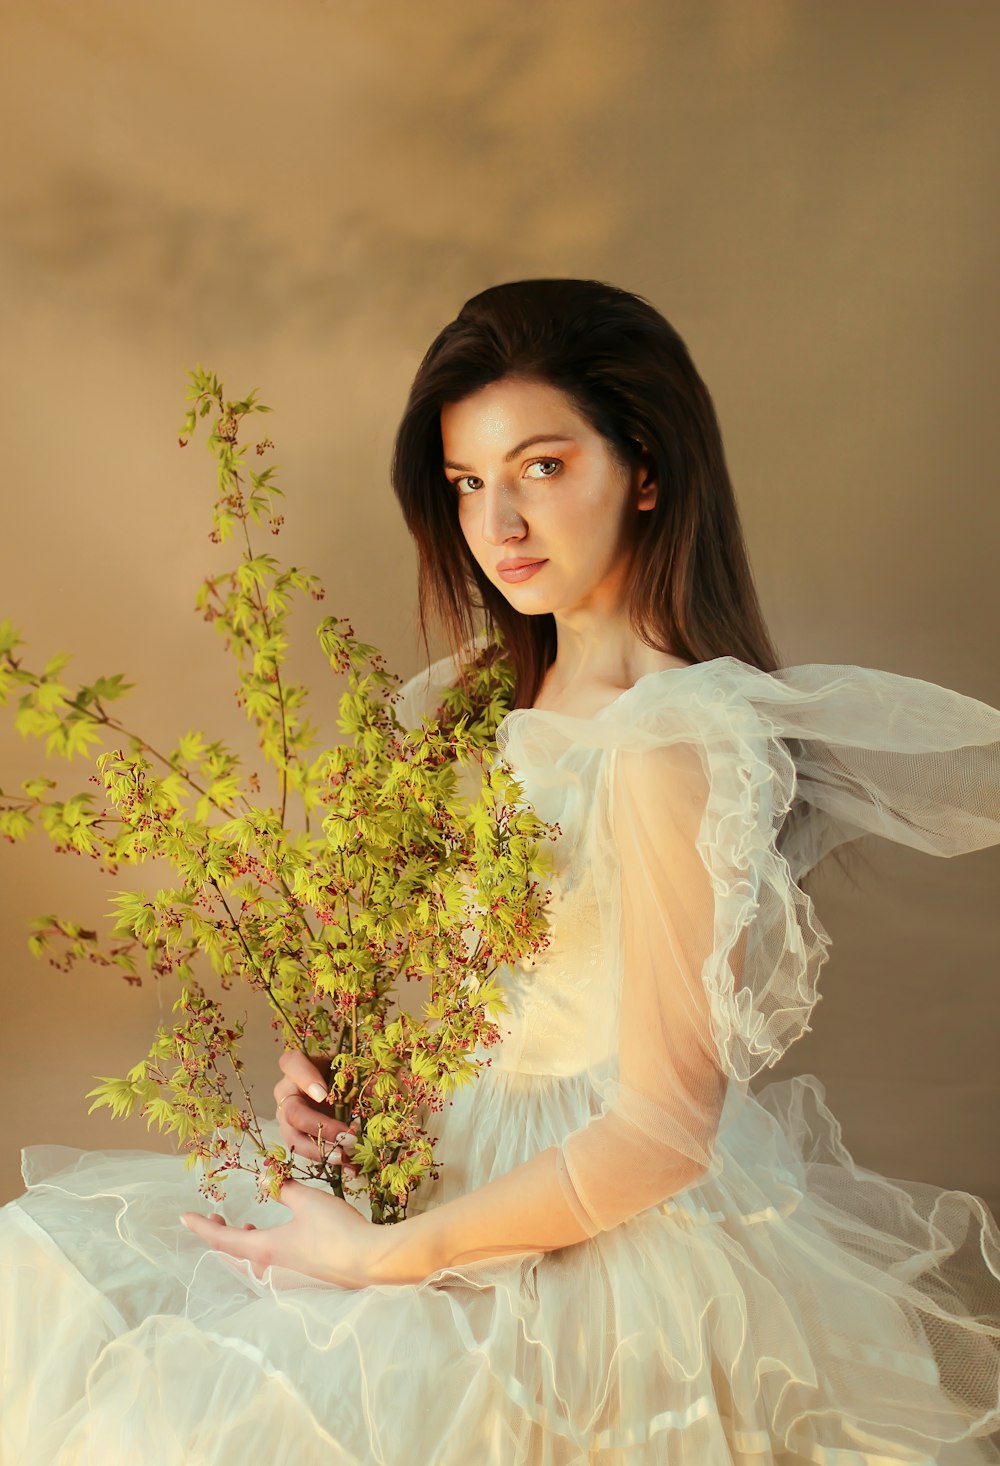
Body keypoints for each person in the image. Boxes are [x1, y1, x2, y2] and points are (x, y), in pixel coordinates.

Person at [1, 278, 998, 1463]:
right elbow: (516, 1020)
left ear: (645, 466)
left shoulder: (666, 737)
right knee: (67, 1286)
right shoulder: (490, 696)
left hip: (604, 1247)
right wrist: (372, 1095)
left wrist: (379, 1255)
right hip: (472, 1159)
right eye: (470, 484)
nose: (499, 525)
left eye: (539, 466)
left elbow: (666, 1130)